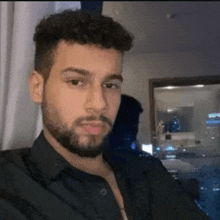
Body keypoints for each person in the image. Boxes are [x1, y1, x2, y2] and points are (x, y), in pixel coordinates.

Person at [0, 9, 210, 220]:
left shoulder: (146, 172)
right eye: (76, 82)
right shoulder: (10, 185)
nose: (100, 104)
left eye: (110, 84)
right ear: (38, 87)